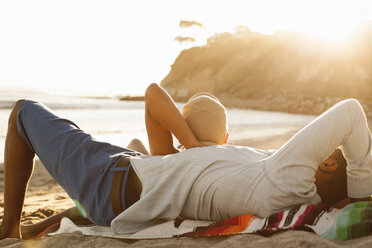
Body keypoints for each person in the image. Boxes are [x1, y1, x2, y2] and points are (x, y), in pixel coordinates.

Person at [1, 84, 371, 238]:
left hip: (108, 179)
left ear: (325, 164)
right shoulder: (271, 175)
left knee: (23, 112)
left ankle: (8, 228)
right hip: (131, 174)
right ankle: (58, 217)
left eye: (328, 151)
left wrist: (357, 194)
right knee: (134, 146)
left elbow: (351, 112)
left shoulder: (285, 174)